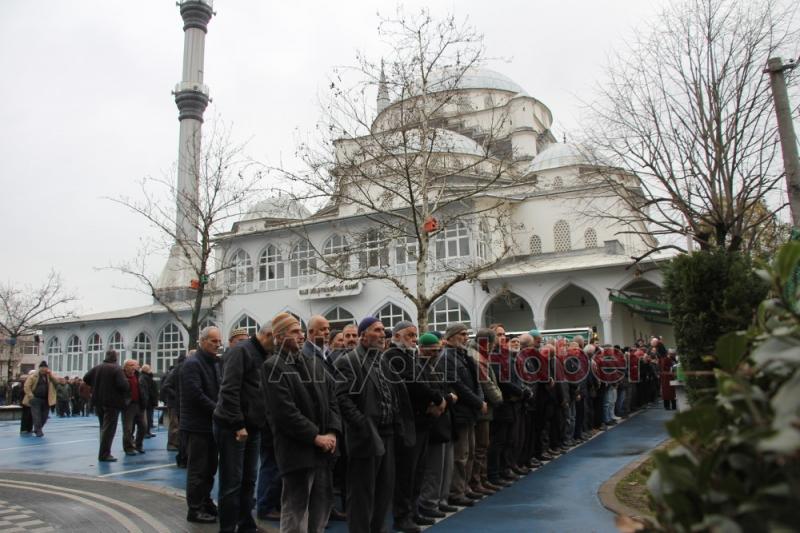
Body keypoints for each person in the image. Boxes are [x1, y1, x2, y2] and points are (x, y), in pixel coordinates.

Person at [263, 312, 342, 533]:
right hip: (297, 451)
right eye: (295, 331)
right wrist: (316, 437)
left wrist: (333, 433)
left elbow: (332, 400)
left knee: (321, 506)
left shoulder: (313, 363)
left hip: (323, 450)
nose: (301, 335)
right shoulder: (273, 366)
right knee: (296, 510)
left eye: (301, 331)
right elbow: (284, 413)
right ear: (279, 336)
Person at [334, 317, 399, 533]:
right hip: (366, 437)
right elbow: (342, 399)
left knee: (384, 492)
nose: (382, 334)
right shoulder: (349, 361)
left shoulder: (382, 359)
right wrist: (363, 426)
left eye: (383, 330)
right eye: (377, 330)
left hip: (387, 434)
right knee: (362, 495)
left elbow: (391, 394)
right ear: (363, 335)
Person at [384, 321, 445, 532]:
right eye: (409, 335)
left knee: (418, 471)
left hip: (421, 421)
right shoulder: (393, 356)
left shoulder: (410, 355)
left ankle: (413, 511)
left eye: (415, 335)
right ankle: (402, 516)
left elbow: (424, 381)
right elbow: (411, 384)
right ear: (397, 336)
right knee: (406, 474)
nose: (413, 339)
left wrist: (434, 400)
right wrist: (437, 399)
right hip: (408, 423)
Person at [213, 323, 271, 533]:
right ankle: (227, 528)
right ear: (267, 335)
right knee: (232, 482)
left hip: (253, 427)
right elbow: (229, 390)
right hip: (233, 428)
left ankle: (246, 525)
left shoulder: (264, 353)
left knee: (248, 480)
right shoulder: (240, 351)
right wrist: (238, 424)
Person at [180, 326, 222, 524]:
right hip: (197, 426)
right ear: (202, 341)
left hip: (210, 425)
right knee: (198, 469)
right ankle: (194, 509)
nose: (217, 344)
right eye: (213, 341)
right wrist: (218, 410)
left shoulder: (213, 363)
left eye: (218, 341)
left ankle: (205, 502)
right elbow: (196, 395)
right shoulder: (192, 364)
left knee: (210, 468)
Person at [442, 323, 486, 507]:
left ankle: (465, 486)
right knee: (460, 455)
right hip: (460, 411)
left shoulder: (463, 355)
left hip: (470, 412)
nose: (465, 337)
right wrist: (478, 402)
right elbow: (458, 385)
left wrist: (480, 399)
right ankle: (456, 491)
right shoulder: (447, 357)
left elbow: (476, 382)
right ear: (451, 337)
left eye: (466, 334)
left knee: (470, 452)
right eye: (461, 334)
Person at [83, 349, 129, 461]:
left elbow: (86, 378)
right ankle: (104, 454)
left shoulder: (97, 367)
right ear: (115, 358)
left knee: (103, 427)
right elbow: (123, 385)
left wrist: (96, 384)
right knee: (109, 429)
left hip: (98, 401)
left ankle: (103, 451)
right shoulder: (116, 368)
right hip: (112, 402)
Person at [23, 361, 63, 437]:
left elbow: (57, 383)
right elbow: (26, 386)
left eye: (45, 367)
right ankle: (38, 431)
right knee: (36, 416)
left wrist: (50, 375)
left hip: (46, 399)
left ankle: (38, 428)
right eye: (42, 367)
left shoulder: (49, 376)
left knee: (44, 416)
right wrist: (31, 396)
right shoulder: (33, 376)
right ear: (39, 368)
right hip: (35, 399)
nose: (44, 369)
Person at [122, 359, 148, 456]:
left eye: (134, 365)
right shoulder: (121, 376)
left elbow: (143, 389)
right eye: (131, 365)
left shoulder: (138, 375)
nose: (133, 367)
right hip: (128, 405)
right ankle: (128, 447)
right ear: (125, 367)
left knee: (143, 426)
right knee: (128, 428)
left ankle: (138, 445)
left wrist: (145, 400)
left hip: (139, 404)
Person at [139, 365, 158, 437]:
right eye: (150, 369)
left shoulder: (146, 377)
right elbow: (146, 391)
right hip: (148, 402)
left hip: (150, 401)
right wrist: (146, 400)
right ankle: (145, 432)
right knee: (147, 418)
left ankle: (147, 431)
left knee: (149, 417)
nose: (151, 370)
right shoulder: (144, 378)